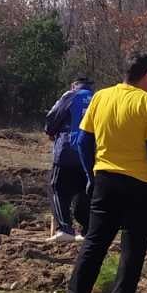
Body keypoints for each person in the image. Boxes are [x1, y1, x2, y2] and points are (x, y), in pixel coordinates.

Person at [59, 54, 147, 293]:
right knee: (132, 252)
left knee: (94, 244)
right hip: (142, 186)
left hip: (106, 180)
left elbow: (83, 141)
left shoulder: (101, 97)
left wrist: (91, 174)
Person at [43, 75, 93, 242]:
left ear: (74, 85)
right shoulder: (98, 98)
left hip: (68, 151)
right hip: (91, 154)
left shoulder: (70, 96)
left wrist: (50, 131)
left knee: (57, 188)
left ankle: (65, 228)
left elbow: (52, 118)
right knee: (85, 191)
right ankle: (88, 231)